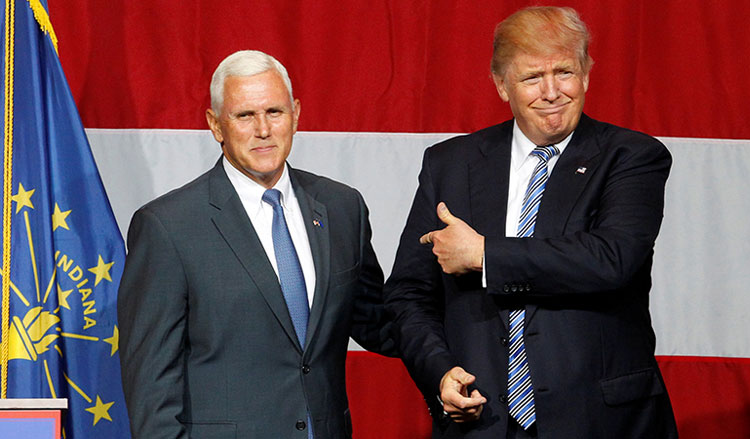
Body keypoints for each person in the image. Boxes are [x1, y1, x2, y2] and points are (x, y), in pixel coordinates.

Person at [384, 6, 677, 438]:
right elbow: (409, 295)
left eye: (564, 72)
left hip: (601, 421)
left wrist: (485, 255)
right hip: (482, 420)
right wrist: (440, 373)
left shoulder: (631, 156)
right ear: (502, 85)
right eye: (531, 78)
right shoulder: (449, 165)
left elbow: (611, 258)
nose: (552, 91)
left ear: (587, 75)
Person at [117, 50, 394, 438]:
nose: (263, 129)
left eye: (275, 112)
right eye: (244, 115)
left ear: (295, 114)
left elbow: (380, 322)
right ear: (216, 125)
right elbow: (151, 385)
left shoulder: (341, 207)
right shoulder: (167, 226)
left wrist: (466, 300)